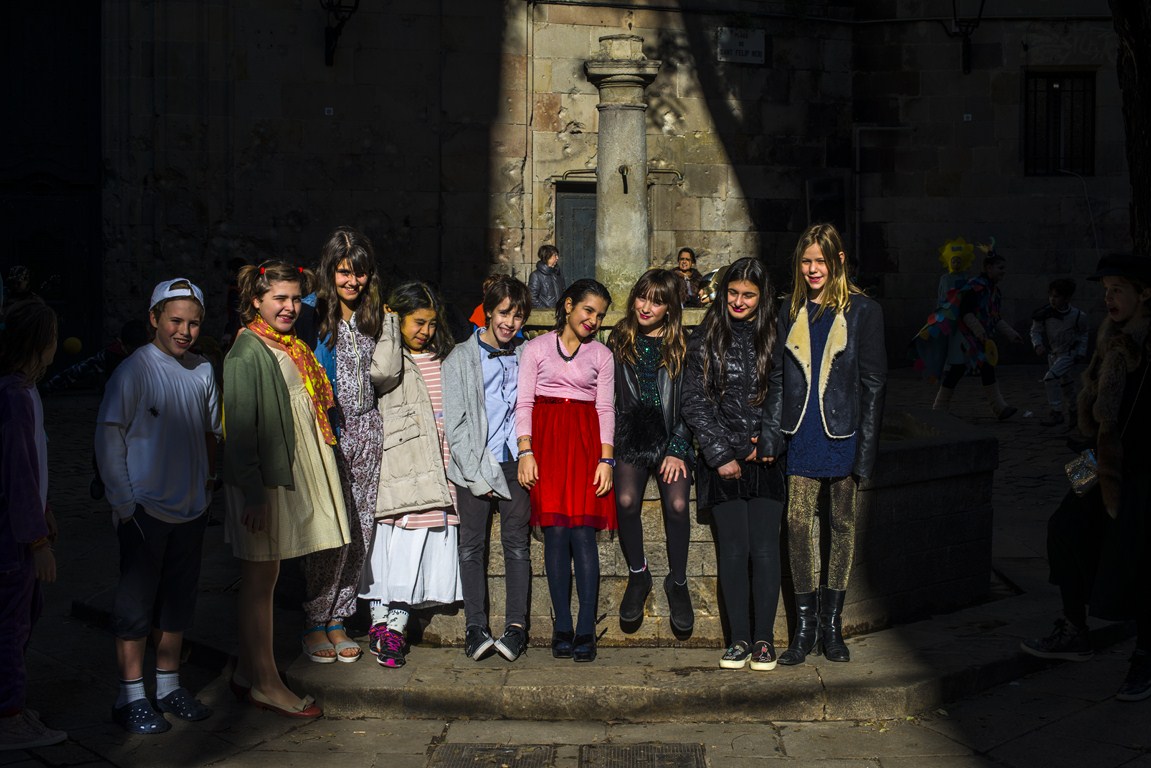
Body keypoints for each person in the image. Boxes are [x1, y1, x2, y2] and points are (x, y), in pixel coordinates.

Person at [1021, 252, 1151, 702]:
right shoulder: (1109, 335)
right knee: (1064, 526)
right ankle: (1074, 629)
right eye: (1106, 290)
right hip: (1096, 461)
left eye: (1118, 290)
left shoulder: (1147, 342)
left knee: (1137, 555)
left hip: (1139, 467)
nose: (1109, 298)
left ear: (1144, 294)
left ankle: (1145, 656)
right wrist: (1085, 440)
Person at [95, 279, 222, 733]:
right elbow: (109, 433)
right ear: (154, 318)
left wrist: (206, 489)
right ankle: (130, 695)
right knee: (136, 605)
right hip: (145, 511)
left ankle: (168, 686)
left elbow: (211, 433)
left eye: (193, 323)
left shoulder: (202, 370)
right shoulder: (134, 370)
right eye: (175, 321)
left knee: (177, 603)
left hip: (190, 510)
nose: (184, 331)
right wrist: (124, 503)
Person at [224, 261, 349, 719]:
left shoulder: (290, 345)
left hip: (278, 478)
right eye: (279, 298)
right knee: (260, 582)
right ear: (256, 300)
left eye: (296, 298)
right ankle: (267, 683)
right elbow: (241, 432)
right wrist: (255, 495)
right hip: (262, 483)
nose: (290, 307)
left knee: (267, 577)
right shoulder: (248, 351)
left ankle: (247, 673)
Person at [761, 224, 887, 666]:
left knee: (843, 525)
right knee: (797, 525)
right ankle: (805, 628)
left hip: (843, 434)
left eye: (820, 261)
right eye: (806, 261)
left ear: (838, 261)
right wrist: (772, 433)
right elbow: (779, 376)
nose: (813, 269)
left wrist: (865, 454)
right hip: (801, 434)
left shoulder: (864, 311)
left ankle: (833, 627)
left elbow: (874, 385)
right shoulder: (790, 309)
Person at [681, 258, 784, 671]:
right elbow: (695, 399)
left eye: (748, 295)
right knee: (734, 549)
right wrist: (720, 453)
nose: (739, 301)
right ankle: (739, 639)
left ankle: (764, 640)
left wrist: (770, 438)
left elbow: (784, 390)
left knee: (765, 549)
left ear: (762, 298)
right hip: (721, 460)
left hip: (766, 459)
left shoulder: (775, 333)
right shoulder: (706, 335)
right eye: (733, 293)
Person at [360, 281, 461, 670]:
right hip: (400, 468)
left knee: (413, 551)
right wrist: (388, 324)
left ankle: (395, 626)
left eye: (432, 323)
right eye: (418, 322)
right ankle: (379, 622)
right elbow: (382, 374)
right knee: (388, 550)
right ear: (397, 317)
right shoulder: (389, 357)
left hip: (433, 470)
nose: (426, 331)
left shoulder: (442, 359)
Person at [516, 278, 615, 662]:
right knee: (556, 534)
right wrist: (526, 451)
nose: (593, 320)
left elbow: (605, 408)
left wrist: (606, 460)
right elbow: (524, 403)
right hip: (547, 444)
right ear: (569, 305)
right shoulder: (536, 348)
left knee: (583, 535)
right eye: (588, 310)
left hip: (586, 445)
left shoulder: (601, 355)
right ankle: (562, 626)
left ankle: (586, 628)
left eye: (600, 315)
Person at [298, 227, 384, 664]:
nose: (353, 282)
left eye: (360, 273)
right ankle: (315, 619)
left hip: (369, 433)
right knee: (329, 530)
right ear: (330, 271)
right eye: (345, 272)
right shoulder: (310, 315)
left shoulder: (374, 316)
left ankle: (339, 617)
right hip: (330, 434)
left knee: (359, 529)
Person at [443, 276, 533, 661]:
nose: (510, 322)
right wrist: (477, 475)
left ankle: (516, 628)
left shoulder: (527, 352)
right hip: (475, 463)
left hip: (515, 461)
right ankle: (475, 627)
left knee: (517, 545)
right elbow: (456, 425)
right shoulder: (459, 358)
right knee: (471, 546)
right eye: (503, 313)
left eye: (518, 316)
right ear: (488, 312)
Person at [607, 269, 695, 632]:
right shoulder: (619, 337)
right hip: (633, 433)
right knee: (626, 500)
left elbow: (692, 401)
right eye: (642, 298)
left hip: (672, 435)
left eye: (657, 302)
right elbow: (609, 395)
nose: (646, 307)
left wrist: (678, 446)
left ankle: (678, 581)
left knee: (678, 505)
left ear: (670, 308)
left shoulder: (683, 344)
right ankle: (638, 573)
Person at [0, 299, 67, 750]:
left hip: (22, 529)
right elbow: (18, 473)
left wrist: (45, 509)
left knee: (25, 614)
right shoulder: (14, 396)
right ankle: (8, 717)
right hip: (11, 541)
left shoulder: (24, 391)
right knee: (11, 626)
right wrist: (37, 541)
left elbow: (32, 464)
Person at [913, 245, 1023, 419]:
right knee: (958, 369)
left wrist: (1011, 334)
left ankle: (999, 408)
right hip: (964, 337)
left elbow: (994, 316)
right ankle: (939, 408)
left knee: (986, 368)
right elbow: (966, 312)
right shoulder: (975, 287)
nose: (1003, 272)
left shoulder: (994, 291)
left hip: (979, 337)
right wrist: (979, 331)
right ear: (989, 268)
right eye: (1000, 268)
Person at [1030, 278, 1089, 428]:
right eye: (1050, 295)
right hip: (1053, 354)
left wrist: (1081, 352)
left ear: (1066, 298)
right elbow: (1035, 331)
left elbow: (1083, 334)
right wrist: (1038, 345)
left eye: (1056, 296)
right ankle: (1074, 410)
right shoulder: (1044, 314)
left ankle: (1056, 412)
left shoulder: (1078, 315)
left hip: (1069, 353)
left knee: (1050, 378)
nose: (1052, 299)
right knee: (1067, 384)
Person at [40, 320, 150, 395]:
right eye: (134, 350)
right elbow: (77, 372)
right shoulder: (109, 356)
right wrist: (48, 387)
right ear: (124, 345)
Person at [528, 244, 565, 313]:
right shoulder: (536, 275)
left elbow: (563, 291)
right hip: (545, 315)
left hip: (560, 313)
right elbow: (532, 298)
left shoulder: (558, 273)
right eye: (555, 255)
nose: (557, 258)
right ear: (547, 256)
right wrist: (547, 311)